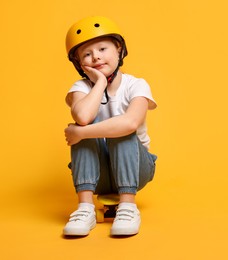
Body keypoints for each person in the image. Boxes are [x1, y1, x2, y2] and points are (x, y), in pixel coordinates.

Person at [63, 16, 157, 236]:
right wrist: (101, 83)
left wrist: (81, 133)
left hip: (136, 168)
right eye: (87, 54)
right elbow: (83, 116)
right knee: (85, 120)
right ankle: (85, 208)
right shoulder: (80, 87)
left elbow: (131, 122)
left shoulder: (136, 85)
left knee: (120, 127)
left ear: (119, 49)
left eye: (102, 49)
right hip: (97, 174)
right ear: (79, 63)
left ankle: (128, 206)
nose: (96, 56)